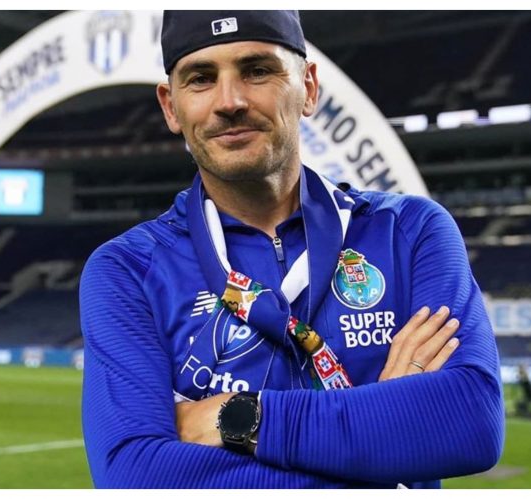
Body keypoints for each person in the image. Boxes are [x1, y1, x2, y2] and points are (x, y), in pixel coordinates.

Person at [79, 10, 504, 488]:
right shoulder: (127, 270)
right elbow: (134, 475)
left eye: (258, 70)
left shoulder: (409, 232)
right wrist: (385, 434)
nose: (230, 101)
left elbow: (471, 421)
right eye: (200, 78)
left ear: (309, 87)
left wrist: (237, 418)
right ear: (171, 107)